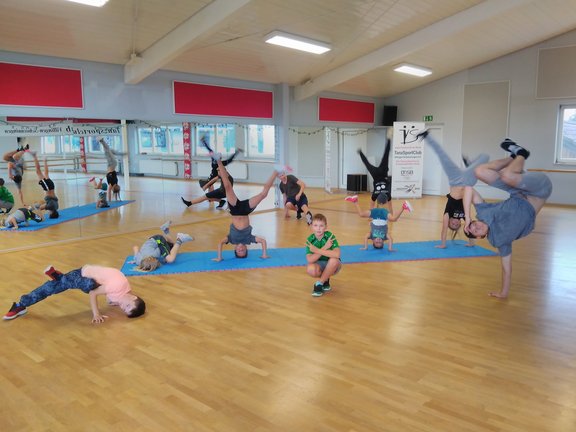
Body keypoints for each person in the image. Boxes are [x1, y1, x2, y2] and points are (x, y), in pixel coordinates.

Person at [461, 138, 553, 299]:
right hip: (539, 191)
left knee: (479, 171)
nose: (475, 227)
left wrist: (467, 218)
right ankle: (521, 155)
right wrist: (503, 293)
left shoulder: (483, 213)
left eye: (473, 225)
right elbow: (506, 267)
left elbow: (468, 189)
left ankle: (513, 156)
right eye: (475, 232)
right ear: (481, 237)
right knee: (506, 175)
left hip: (517, 191)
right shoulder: (499, 240)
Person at [3, 264, 146, 323]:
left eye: (124, 310)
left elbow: (111, 294)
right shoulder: (118, 285)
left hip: (83, 276)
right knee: (53, 287)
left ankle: (59, 277)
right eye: (127, 306)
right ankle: (21, 305)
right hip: (81, 275)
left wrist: (113, 301)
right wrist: (96, 314)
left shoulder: (123, 292)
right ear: (134, 297)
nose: (123, 307)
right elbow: (93, 294)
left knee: (61, 284)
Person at [418, 131, 489, 248]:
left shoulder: (447, 213)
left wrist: (443, 244)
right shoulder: (464, 217)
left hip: (454, 179)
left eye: (453, 224)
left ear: (450, 221)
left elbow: (444, 230)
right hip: (467, 181)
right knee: (485, 157)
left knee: (442, 157)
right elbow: (471, 230)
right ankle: (470, 164)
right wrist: (471, 243)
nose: (455, 222)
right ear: (461, 224)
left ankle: (427, 136)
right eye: (457, 224)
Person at [212, 155, 282, 261]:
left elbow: (220, 243)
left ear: (235, 249)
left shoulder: (231, 239)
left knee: (227, 187)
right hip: (245, 210)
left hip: (235, 210)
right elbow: (263, 241)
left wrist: (219, 257)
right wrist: (264, 254)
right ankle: (276, 172)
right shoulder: (249, 240)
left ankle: (218, 160)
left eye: (238, 251)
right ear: (246, 248)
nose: (240, 249)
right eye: (243, 251)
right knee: (263, 194)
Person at [345, 193, 412, 251]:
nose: (378, 241)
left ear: (373, 241)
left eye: (376, 242)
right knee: (394, 219)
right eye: (380, 243)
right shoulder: (385, 237)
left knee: (361, 214)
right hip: (383, 216)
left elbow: (365, 237)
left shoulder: (371, 236)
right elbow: (390, 239)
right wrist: (390, 248)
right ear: (383, 242)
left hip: (374, 215)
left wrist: (365, 247)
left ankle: (355, 201)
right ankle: (403, 206)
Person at [305, 213, 342, 297]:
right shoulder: (310, 240)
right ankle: (325, 279)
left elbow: (337, 254)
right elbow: (310, 260)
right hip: (319, 265)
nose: (318, 228)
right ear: (311, 227)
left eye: (321, 226)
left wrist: (316, 250)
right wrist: (325, 247)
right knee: (310, 269)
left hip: (334, 265)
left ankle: (319, 284)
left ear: (326, 227)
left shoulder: (330, 236)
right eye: (315, 225)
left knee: (334, 260)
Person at [358, 132, 392, 210]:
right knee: (367, 164)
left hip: (382, 173)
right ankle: (360, 152)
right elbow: (371, 206)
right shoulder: (374, 195)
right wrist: (371, 217)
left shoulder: (387, 194)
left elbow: (390, 206)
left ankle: (389, 139)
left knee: (386, 155)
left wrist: (392, 215)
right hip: (376, 175)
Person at [31, 153, 59, 219]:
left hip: (51, 186)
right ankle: (35, 156)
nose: (48, 213)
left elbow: (49, 201)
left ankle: (45, 160)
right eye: (49, 214)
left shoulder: (56, 207)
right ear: (51, 213)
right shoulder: (50, 207)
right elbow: (39, 208)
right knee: (38, 171)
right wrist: (40, 217)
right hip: (47, 188)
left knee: (46, 173)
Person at [2, 140, 27, 204]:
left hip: (15, 163)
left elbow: (19, 192)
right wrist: (10, 174)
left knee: (5, 157)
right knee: (14, 156)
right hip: (18, 164)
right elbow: (10, 164)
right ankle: (23, 150)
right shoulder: (17, 174)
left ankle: (19, 150)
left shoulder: (18, 181)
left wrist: (23, 202)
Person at [99, 138, 123, 202]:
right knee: (107, 150)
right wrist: (109, 201)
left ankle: (103, 142)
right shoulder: (111, 185)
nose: (111, 190)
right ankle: (102, 141)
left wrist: (117, 199)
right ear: (113, 189)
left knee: (108, 150)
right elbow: (109, 192)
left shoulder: (116, 183)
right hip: (111, 164)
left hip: (113, 164)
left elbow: (116, 191)